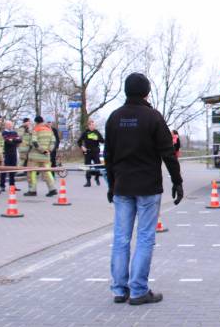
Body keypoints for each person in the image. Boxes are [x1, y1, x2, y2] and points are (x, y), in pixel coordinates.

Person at [105, 72, 184, 306]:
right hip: (148, 186)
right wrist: (177, 181)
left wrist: (111, 184)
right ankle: (138, 290)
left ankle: (120, 290)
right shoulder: (153, 117)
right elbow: (167, 152)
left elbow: (108, 156)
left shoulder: (114, 118)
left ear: (126, 90)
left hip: (122, 186)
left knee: (121, 238)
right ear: (147, 92)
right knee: (145, 237)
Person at [29, 116, 57, 197]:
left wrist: (41, 150)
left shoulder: (36, 129)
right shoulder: (49, 130)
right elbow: (53, 141)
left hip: (35, 156)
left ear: (36, 122)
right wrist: (49, 150)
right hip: (46, 156)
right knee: (47, 172)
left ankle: (32, 190)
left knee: (33, 173)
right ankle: (52, 189)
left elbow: (34, 142)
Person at [78, 118, 104, 187]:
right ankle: (88, 182)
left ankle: (97, 178)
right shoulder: (85, 133)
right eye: (91, 125)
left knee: (97, 166)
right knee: (87, 166)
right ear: (88, 126)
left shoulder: (97, 132)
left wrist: (97, 138)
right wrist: (82, 147)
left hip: (95, 151)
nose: (93, 126)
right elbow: (79, 141)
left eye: (94, 125)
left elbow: (103, 141)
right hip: (88, 152)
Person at [0, 120, 22, 192]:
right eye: (9, 125)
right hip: (6, 153)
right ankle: (2, 185)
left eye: (11, 124)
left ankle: (12, 185)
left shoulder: (14, 132)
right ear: (5, 125)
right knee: (4, 170)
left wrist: (13, 140)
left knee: (13, 170)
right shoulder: (3, 133)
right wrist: (14, 140)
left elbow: (20, 140)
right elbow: (7, 141)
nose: (10, 126)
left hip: (14, 153)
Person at [17, 118, 34, 193]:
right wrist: (24, 128)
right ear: (25, 122)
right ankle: (18, 171)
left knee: (27, 160)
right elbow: (19, 136)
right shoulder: (21, 128)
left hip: (28, 147)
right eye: (28, 122)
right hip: (23, 147)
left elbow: (31, 135)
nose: (29, 123)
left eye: (29, 122)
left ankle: (24, 171)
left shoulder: (29, 129)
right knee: (22, 159)